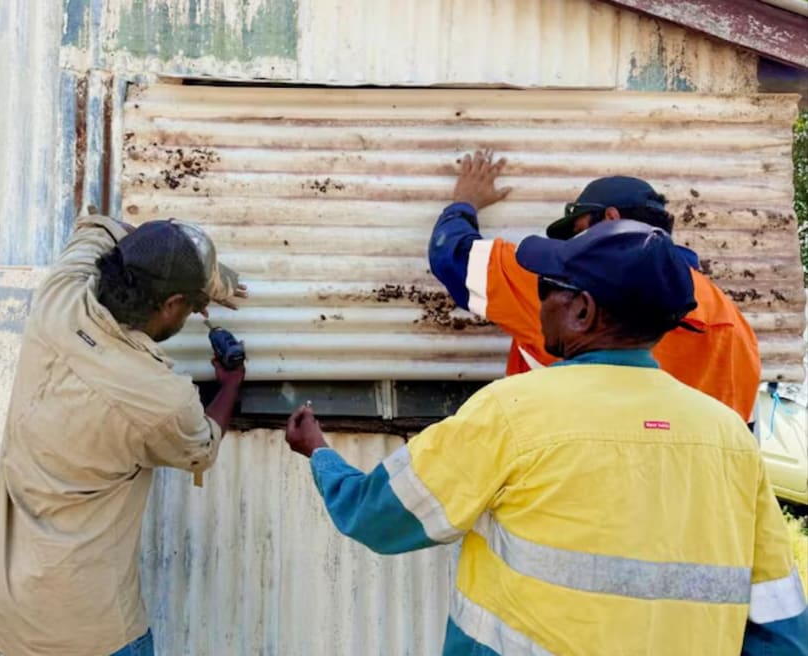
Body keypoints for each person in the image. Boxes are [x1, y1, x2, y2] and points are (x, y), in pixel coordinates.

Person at [284, 220, 807, 655]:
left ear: (582, 311)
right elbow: (780, 631)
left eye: (547, 289)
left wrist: (321, 454)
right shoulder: (728, 437)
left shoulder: (514, 412)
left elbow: (380, 515)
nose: (539, 303)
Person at [0, 211, 248, 656]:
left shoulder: (58, 299)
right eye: (192, 303)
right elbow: (202, 448)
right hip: (93, 634)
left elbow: (98, 225)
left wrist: (188, 267)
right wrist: (230, 387)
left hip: (9, 622)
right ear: (171, 304)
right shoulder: (161, 401)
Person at [427, 149, 761, 423]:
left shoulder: (569, 284)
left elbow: (453, 255)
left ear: (612, 219)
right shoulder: (731, 324)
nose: (573, 245)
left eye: (578, 230)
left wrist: (464, 204)